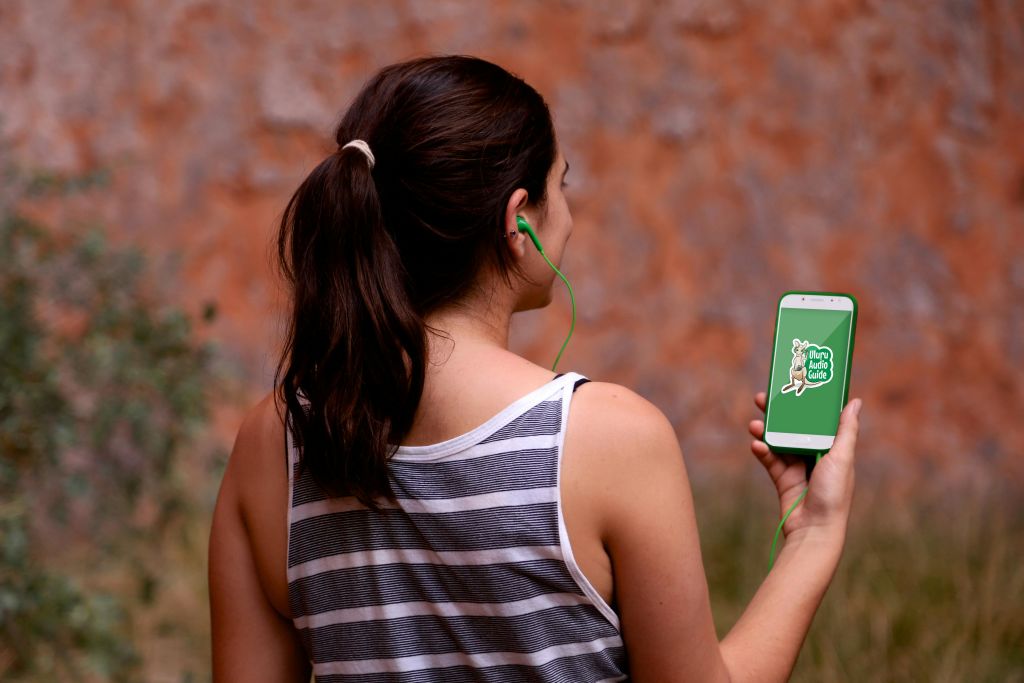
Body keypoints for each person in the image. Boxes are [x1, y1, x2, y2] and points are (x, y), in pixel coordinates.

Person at [208, 54, 862, 682]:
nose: (570, 216)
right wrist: (813, 533)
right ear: (520, 220)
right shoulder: (610, 439)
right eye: (562, 185)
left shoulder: (273, 444)